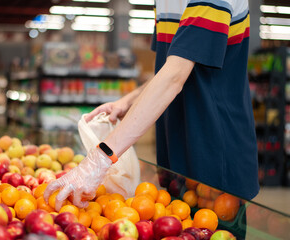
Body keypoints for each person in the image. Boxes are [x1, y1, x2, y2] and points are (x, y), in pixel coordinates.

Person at [44, 0, 259, 212]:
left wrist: (101, 157)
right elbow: (172, 66)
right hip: (177, 147)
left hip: (215, 149)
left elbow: (176, 75)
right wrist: (129, 100)